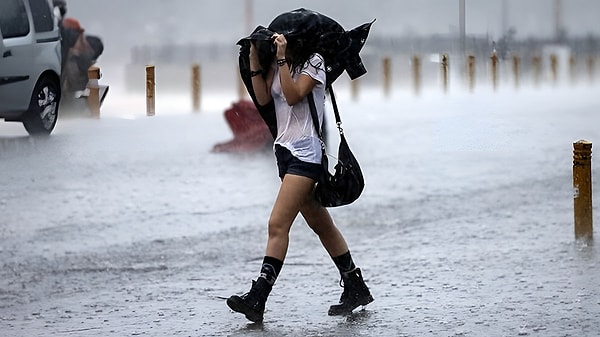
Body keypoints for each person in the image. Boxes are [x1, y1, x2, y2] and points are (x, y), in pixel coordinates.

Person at [226, 32, 373, 323]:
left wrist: (280, 58)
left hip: (306, 154)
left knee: (277, 224)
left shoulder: (314, 63)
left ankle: (259, 296)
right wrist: (256, 57)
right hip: (285, 152)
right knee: (321, 224)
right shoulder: (282, 65)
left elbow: (293, 96)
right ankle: (355, 284)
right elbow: (264, 97)